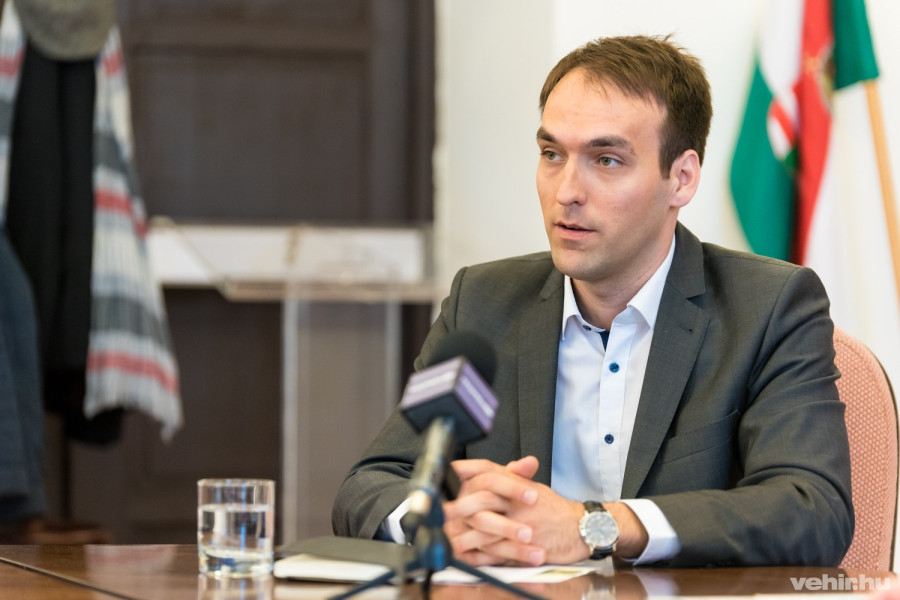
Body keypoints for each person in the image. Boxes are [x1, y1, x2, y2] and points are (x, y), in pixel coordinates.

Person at [332, 34, 853, 568]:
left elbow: (812, 509)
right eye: (552, 154)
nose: (566, 192)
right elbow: (371, 485)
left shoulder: (767, 307)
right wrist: (437, 520)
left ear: (681, 179)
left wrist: (596, 526)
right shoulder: (482, 303)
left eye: (606, 160)